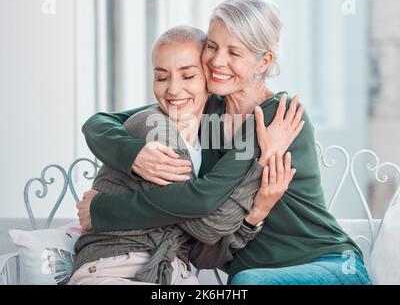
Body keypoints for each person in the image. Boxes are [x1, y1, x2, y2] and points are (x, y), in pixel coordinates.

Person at [77, 0, 371, 285]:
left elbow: (203, 199)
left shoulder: (276, 118)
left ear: (263, 61)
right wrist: (135, 154)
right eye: (213, 47)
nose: (218, 61)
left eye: (235, 52)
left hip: (327, 266)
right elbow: (99, 123)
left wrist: (103, 211)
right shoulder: (205, 105)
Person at [69, 26, 299, 285]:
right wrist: (263, 163)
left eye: (188, 76)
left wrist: (257, 213)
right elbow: (207, 226)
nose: (173, 90)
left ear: (209, 80)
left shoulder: (207, 144)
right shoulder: (154, 129)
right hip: (114, 269)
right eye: (161, 77)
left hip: (173, 274)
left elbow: (203, 256)